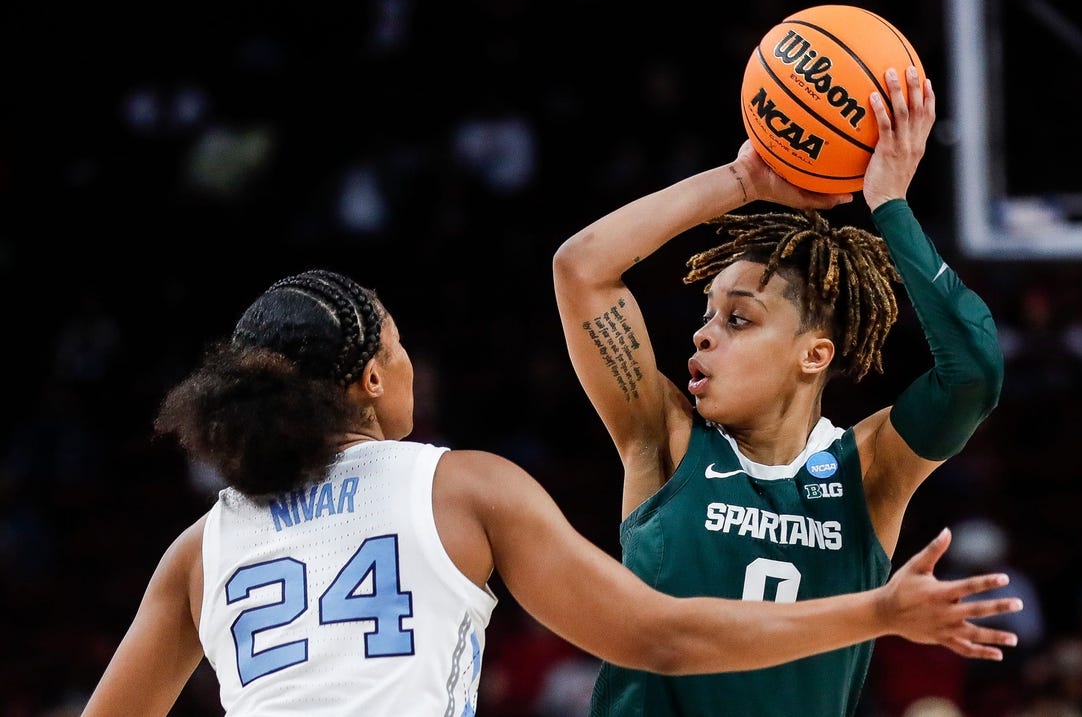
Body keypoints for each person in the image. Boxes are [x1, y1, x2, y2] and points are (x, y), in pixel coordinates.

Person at [80, 264, 1018, 717]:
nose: (414, 363)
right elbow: (663, 634)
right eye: (401, 345)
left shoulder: (200, 549)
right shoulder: (457, 486)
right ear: (371, 378)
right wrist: (877, 611)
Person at [553, 65, 1005, 717]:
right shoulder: (666, 437)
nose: (703, 336)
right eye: (706, 316)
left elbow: (973, 373)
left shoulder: (868, 469)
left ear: (814, 354)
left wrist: (890, 206)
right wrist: (742, 181)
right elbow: (581, 268)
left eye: (737, 318)